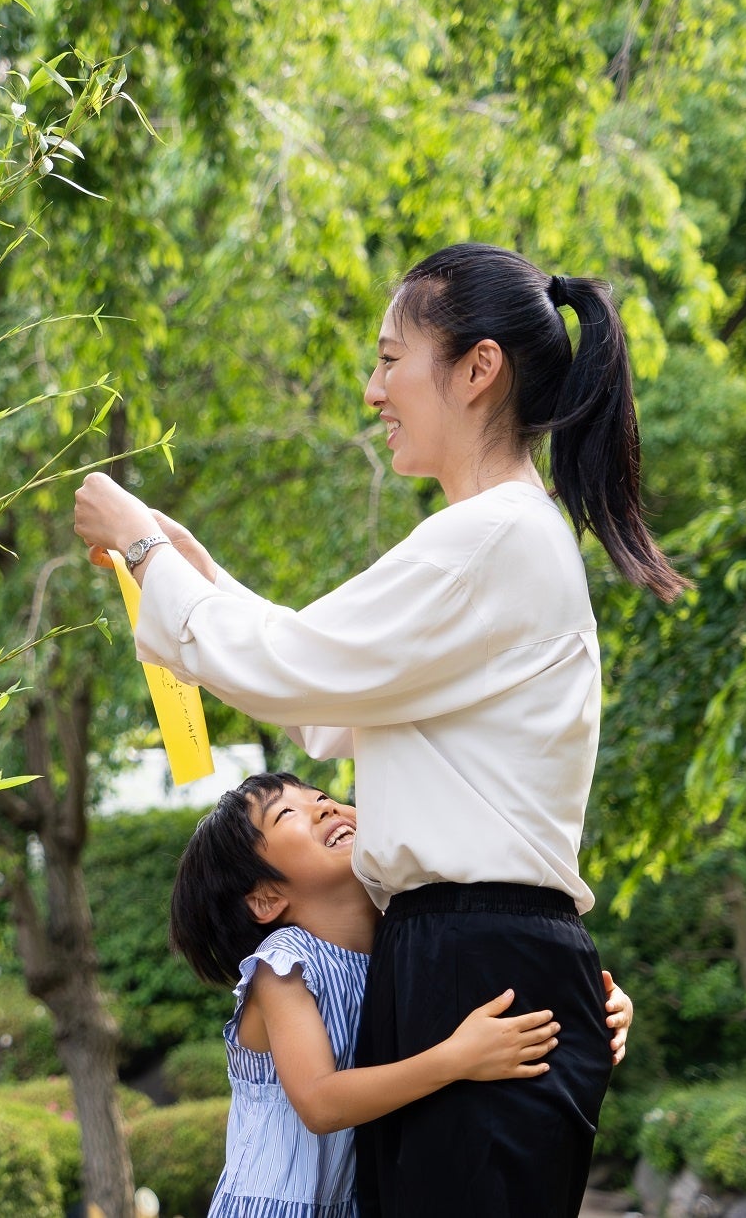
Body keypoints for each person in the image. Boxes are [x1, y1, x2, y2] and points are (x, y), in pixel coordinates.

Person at [74, 243, 687, 1215]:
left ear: (476, 367)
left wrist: (147, 550)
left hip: (474, 954)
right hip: (455, 950)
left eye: (389, 357)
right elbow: (327, 692)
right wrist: (182, 564)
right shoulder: (496, 537)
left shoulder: (486, 537)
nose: (373, 389)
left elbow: (299, 669)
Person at [170, 771, 633, 1218]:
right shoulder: (284, 966)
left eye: (320, 795)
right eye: (286, 812)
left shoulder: (398, 948)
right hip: (272, 1206)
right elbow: (320, 1102)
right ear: (266, 898)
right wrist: (457, 1059)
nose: (324, 806)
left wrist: (598, 1011)